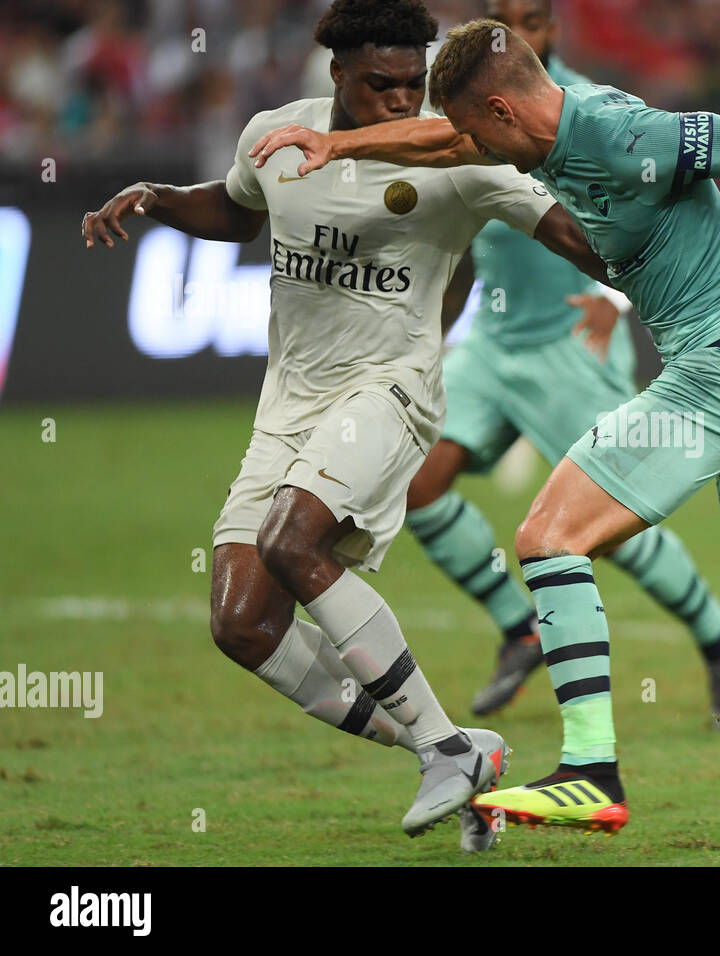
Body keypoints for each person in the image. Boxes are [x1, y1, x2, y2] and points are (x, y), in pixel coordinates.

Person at [249, 19, 720, 849]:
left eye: (477, 131)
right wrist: (340, 147)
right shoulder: (532, 132)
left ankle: (591, 770)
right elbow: (441, 142)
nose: (466, 148)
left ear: (504, 110)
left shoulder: (626, 135)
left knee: (548, 538)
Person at [81, 0, 607, 851]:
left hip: (391, 391)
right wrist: (157, 198)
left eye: (412, 83)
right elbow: (238, 209)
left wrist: (658, 266)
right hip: (289, 405)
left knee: (295, 543)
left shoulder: (456, 150)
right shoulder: (279, 135)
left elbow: (569, 234)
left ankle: (442, 748)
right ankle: (458, 751)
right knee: (241, 622)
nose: (402, 101)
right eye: (380, 85)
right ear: (336, 75)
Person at [404, 0, 720, 725]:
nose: (513, 31)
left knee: (605, 530)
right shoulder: (479, 111)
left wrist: (618, 303)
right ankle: (520, 625)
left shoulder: (588, 113)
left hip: (571, 343)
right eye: (498, 18)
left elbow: (682, 219)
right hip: (493, 345)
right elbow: (477, 232)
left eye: (525, 19)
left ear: (548, 30)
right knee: (416, 485)